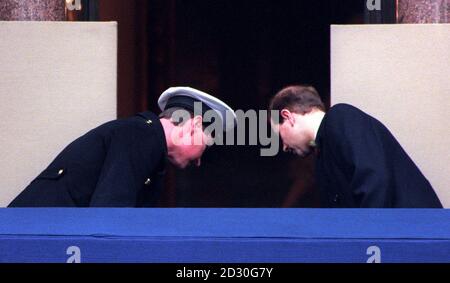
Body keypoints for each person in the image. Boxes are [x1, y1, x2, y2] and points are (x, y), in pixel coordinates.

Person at [8, 87, 236, 207]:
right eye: (206, 144)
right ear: (194, 126)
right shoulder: (142, 136)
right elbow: (109, 217)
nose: (199, 161)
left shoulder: (146, 143)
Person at [269, 85, 442, 208]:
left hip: (415, 238)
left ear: (288, 116)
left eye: (280, 134)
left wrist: (365, 240)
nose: (284, 146)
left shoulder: (340, 117)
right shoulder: (324, 151)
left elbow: (374, 179)